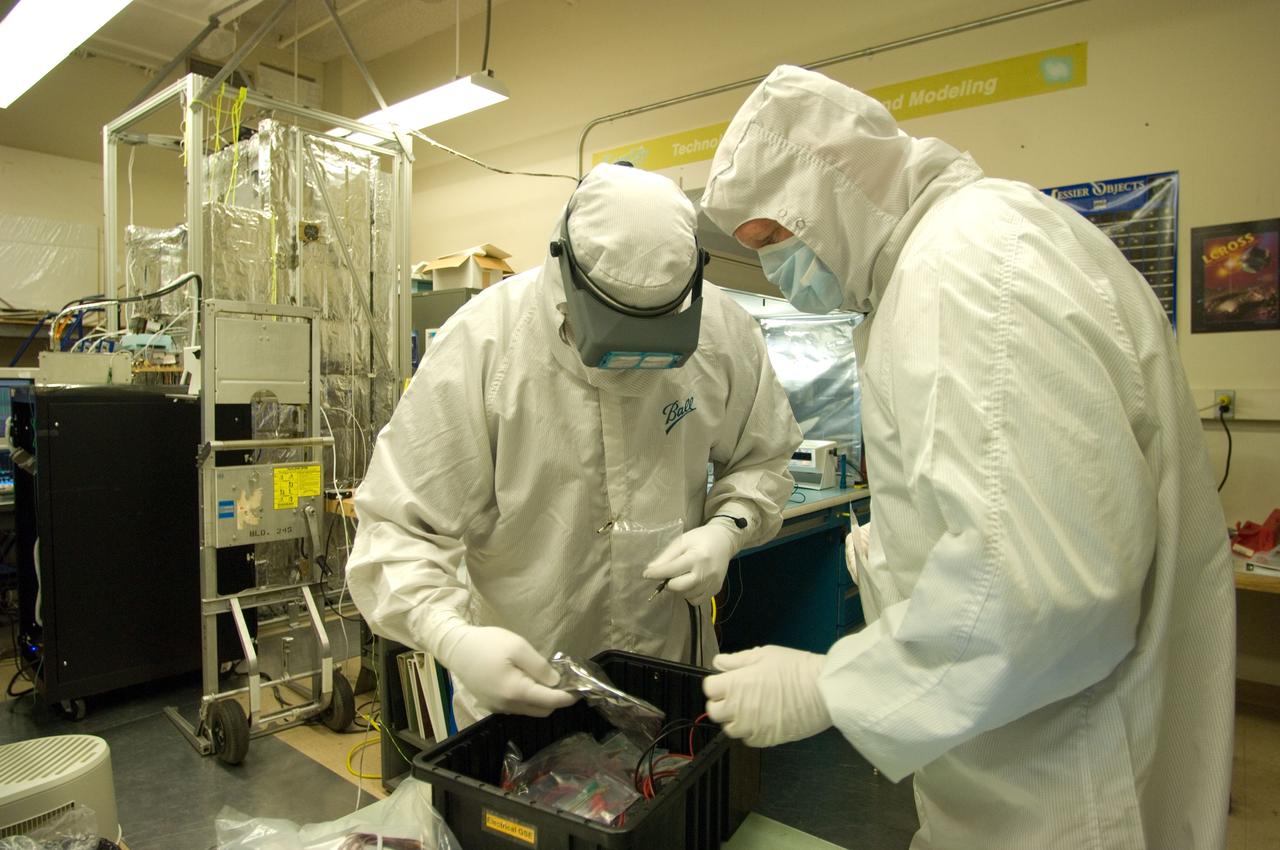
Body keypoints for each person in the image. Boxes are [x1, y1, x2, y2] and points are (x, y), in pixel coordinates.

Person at [697, 65, 1235, 849]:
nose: (778, 265)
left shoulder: (965, 268)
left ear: (832, 188)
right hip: (1015, 751)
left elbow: (1042, 586)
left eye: (774, 237)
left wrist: (836, 686)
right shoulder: (954, 256)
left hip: (1058, 782)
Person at [346, 162, 802, 727]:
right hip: (522, 677)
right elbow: (397, 525)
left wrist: (727, 530)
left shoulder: (726, 335)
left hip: (665, 672)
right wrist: (451, 637)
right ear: (566, 271)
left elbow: (764, 459)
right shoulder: (484, 343)